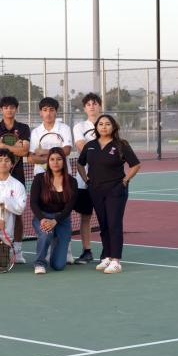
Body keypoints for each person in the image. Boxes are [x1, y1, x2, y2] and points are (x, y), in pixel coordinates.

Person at [77, 114, 141, 274]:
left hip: (115, 190)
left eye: (107, 124)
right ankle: (106, 256)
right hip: (96, 190)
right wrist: (87, 180)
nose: (104, 127)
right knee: (103, 224)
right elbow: (80, 164)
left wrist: (125, 181)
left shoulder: (121, 145)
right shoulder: (90, 145)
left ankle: (116, 260)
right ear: (96, 127)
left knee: (114, 224)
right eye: (100, 124)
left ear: (113, 127)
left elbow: (135, 165)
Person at [28, 97, 74, 264]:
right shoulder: (35, 132)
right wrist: (54, 155)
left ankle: (66, 251)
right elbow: (32, 158)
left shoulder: (64, 128)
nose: (48, 113)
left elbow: (66, 151)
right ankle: (44, 255)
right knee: (45, 209)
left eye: (52, 110)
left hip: (62, 177)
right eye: (45, 110)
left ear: (56, 112)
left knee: (64, 212)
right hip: (42, 179)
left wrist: (43, 153)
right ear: (41, 112)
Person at [0, 96, 31, 263]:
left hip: (17, 176)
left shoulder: (24, 128)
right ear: (1, 109)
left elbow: (24, 152)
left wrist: (1, 146)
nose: (9, 110)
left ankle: (17, 250)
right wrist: (15, 148)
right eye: (5, 107)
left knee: (18, 213)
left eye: (12, 107)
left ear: (16, 109)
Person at [30, 148, 78, 274]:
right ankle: (39, 263)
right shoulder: (39, 179)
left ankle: (55, 242)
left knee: (58, 265)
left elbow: (69, 208)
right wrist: (42, 219)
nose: (55, 162)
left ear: (64, 161)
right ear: (48, 162)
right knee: (46, 234)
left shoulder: (72, 182)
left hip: (62, 220)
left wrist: (55, 221)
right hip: (43, 217)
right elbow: (33, 203)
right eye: (52, 159)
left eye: (59, 159)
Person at [72, 93, 102, 264]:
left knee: (106, 217)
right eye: (88, 104)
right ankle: (87, 251)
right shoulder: (79, 126)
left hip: (105, 180)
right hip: (84, 179)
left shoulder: (107, 123)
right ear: (84, 108)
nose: (92, 106)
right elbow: (82, 148)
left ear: (99, 106)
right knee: (85, 216)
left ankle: (108, 252)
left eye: (95, 103)